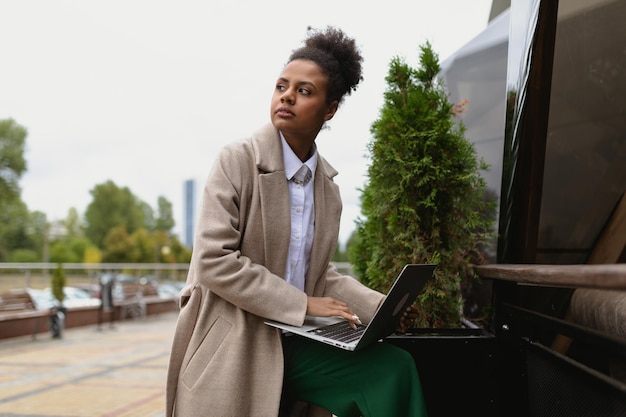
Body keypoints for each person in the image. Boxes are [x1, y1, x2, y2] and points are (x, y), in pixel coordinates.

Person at [166, 26, 428, 417]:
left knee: (393, 368)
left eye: (304, 91)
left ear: (330, 109)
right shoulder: (236, 161)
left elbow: (319, 273)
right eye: (281, 86)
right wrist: (304, 303)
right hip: (236, 337)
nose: (287, 96)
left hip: (297, 339)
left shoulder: (327, 188)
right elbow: (213, 262)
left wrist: (381, 308)